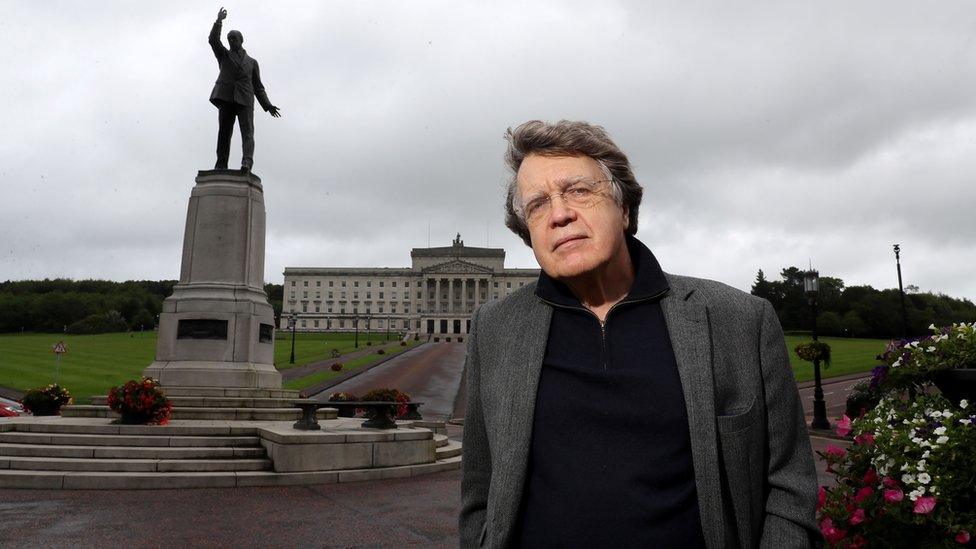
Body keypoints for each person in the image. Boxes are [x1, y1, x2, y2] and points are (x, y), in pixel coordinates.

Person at [459, 120, 818, 548]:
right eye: (537, 205)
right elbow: (479, 493)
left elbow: (790, 488)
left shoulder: (739, 319)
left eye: (578, 190)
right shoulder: (495, 329)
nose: (559, 214)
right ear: (528, 233)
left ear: (624, 207)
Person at [208, 7, 281, 173]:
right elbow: (213, 40)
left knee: (247, 132)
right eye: (229, 38)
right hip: (226, 97)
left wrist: (268, 105)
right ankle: (221, 163)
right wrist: (219, 21)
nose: (231, 40)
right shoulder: (224, 55)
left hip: (245, 99)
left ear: (241, 40)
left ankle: (246, 163)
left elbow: (258, 86)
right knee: (224, 132)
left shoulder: (252, 62)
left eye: (234, 38)